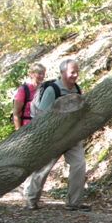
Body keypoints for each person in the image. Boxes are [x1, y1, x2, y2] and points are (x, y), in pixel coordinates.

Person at [24, 59, 90, 212]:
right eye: (72, 72)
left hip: (72, 136)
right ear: (62, 72)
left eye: (77, 72)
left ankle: (73, 203)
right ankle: (31, 200)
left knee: (79, 165)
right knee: (43, 169)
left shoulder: (77, 89)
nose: (75, 75)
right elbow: (42, 115)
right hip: (53, 137)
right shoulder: (52, 90)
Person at [12, 63, 46, 130]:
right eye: (39, 73)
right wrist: (18, 132)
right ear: (31, 74)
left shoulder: (43, 88)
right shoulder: (23, 90)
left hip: (40, 126)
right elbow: (15, 113)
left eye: (43, 73)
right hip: (26, 128)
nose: (42, 76)